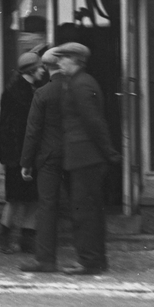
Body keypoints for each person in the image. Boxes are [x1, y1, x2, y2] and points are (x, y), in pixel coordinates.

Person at [54, 42, 120, 276]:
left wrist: (108, 152)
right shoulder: (78, 82)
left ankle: (90, 261)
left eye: (63, 58)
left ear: (76, 60)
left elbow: (93, 122)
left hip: (85, 158)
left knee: (85, 213)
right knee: (88, 211)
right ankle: (94, 260)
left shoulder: (81, 84)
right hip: (83, 157)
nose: (59, 62)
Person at [18, 49, 66, 272]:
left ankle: (45, 259)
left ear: (46, 67)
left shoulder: (43, 93)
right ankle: (87, 257)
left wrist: (26, 162)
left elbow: (33, 131)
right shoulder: (75, 88)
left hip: (48, 155)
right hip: (74, 153)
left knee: (47, 206)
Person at [0, 52, 45, 255]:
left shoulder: (31, 90)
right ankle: (4, 237)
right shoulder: (15, 93)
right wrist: (16, 158)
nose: (43, 70)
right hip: (18, 155)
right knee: (15, 199)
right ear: (31, 70)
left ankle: (26, 239)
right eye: (39, 67)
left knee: (32, 198)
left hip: (28, 153)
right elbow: (9, 129)